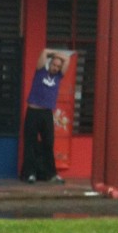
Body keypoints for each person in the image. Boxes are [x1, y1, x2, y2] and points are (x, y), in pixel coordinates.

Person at [21, 48, 72, 183]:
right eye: (54, 65)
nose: (55, 68)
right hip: (33, 111)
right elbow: (43, 52)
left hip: (47, 113)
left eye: (58, 66)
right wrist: (55, 55)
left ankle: (50, 174)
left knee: (48, 143)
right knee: (30, 143)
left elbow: (68, 59)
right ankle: (29, 174)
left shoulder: (58, 77)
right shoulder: (40, 71)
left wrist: (60, 59)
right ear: (50, 64)